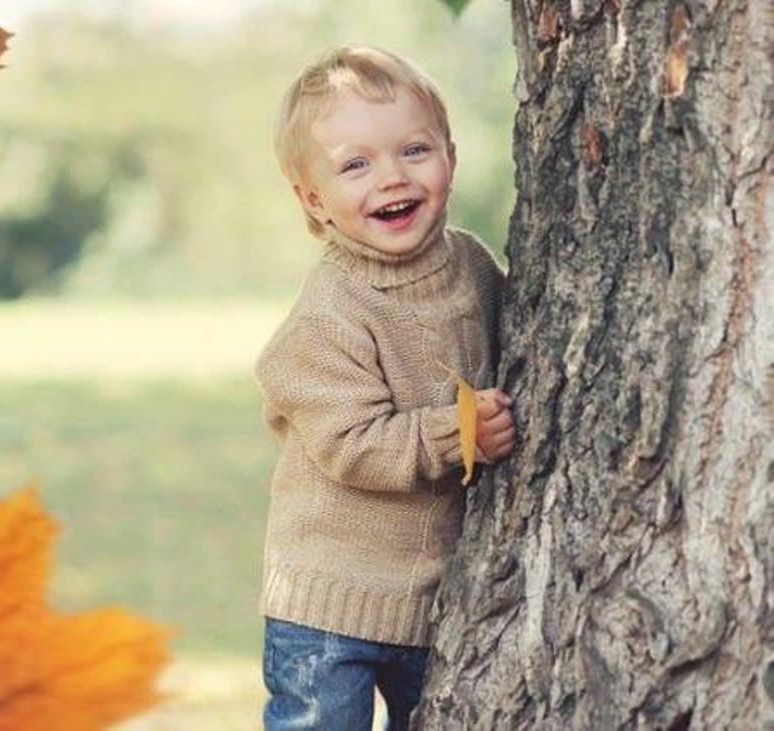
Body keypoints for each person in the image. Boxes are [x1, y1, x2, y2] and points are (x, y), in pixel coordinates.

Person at [255, 44, 515, 730]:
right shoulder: (331, 310)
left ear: (451, 158)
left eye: (414, 151)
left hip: (438, 598)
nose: (391, 178)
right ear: (314, 199)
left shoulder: (473, 265)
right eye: (355, 165)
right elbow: (349, 441)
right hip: (329, 603)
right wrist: (459, 432)